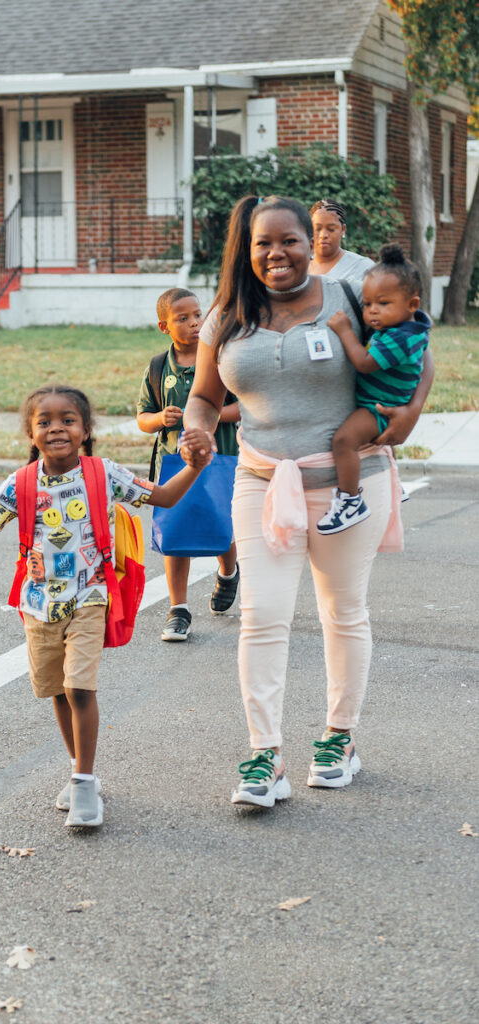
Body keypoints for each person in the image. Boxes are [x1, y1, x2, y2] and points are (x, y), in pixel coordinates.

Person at [180, 195, 433, 809]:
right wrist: (197, 427)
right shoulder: (226, 316)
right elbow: (205, 397)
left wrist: (409, 415)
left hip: (351, 480)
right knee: (262, 616)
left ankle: (338, 739)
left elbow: (421, 357)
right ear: (248, 249)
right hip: (263, 481)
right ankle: (265, 752)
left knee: (342, 613)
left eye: (289, 240)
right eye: (264, 243)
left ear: (310, 242)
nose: (277, 253)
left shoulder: (348, 298)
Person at [0, 384, 209, 828]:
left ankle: (83, 781)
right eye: (45, 422)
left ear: (85, 429)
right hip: (37, 605)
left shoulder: (102, 473)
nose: (57, 428)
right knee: (57, 689)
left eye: (68, 420)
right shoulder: (20, 484)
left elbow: (164, 497)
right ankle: (80, 770)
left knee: (79, 687)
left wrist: (194, 467)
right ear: (31, 433)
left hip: (90, 597)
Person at [137, 287, 240, 641]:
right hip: (172, 464)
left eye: (198, 315)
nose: (195, 323)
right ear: (164, 326)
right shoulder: (156, 367)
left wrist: (209, 415)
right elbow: (141, 418)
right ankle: (178, 609)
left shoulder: (220, 358)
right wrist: (160, 419)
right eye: (183, 318)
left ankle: (228, 572)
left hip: (221, 455)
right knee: (174, 531)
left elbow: (242, 407)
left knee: (221, 523)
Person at [318, 245, 432, 534]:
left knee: (343, 442)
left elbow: (365, 363)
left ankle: (350, 500)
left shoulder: (399, 338)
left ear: (412, 304)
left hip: (379, 409)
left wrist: (344, 331)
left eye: (383, 303)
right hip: (380, 402)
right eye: (367, 304)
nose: (372, 312)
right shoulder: (409, 329)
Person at [309, 198, 374, 288]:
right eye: (317, 229)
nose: (323, 235)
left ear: (343, 230)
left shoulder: (363, 268)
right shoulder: (299, 268)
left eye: (331, 229)